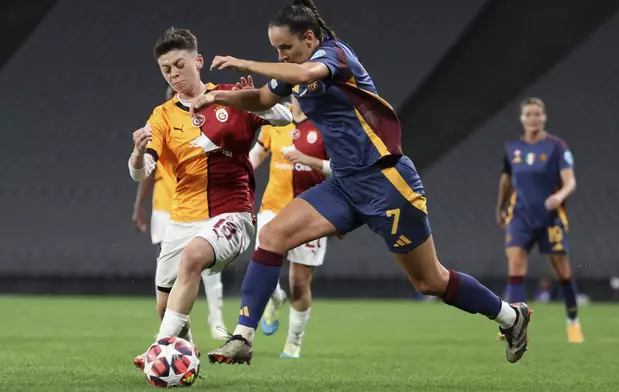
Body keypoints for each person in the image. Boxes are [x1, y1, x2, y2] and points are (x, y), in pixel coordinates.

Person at [192, 0, 531, 365]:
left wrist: (244, 63)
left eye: (285, 48)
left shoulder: (335, 55)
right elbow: (261, 98)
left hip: (386, 180)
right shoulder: (295, 68)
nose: (281, 56)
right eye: (276, 50)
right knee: (272, 236)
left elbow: (306, 76)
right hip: (344, 184)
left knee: (430, 282)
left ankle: (511, 317)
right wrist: (216, 95)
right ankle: (243, 338)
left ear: (309, 38)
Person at [128, 27, 292, 368]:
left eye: (179, 64)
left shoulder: (229, 95)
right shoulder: (162, 116)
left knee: (193, 257)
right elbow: (144, 168)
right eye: (166, 69)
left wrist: (251, 102)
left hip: (231, 212)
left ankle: (158, 350)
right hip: (182, 217)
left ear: (198, 61)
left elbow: (284, 116)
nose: (173, 74)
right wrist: (136, 155)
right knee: (165, 308)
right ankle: (184, 358)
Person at [132, 86, 229, 344]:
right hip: (166, 210)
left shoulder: (201, 133)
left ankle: (216, 318)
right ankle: (181, 338)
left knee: (206, 266)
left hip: (201, 207)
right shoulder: (161, 129)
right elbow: (146, 174)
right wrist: (138, 206)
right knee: (168, 275)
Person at [250, 94, 332, 358]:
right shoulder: (275, 120)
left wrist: (309, 161)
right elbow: (255, 156)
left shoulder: (327, 124)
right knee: (263, 268)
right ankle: (274, 298)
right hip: (272, 209)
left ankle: (294, 342)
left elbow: (341, 168)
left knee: (299, 283)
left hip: (310, 213)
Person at [496, 97, 583, 343]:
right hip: (520, 216)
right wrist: (500, 209)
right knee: (515, 268)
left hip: (550, 218)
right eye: (529, 114)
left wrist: (559, 195)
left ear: (544, 117)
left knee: (563, 271)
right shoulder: (512, 149)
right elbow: (505, 181)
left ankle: (573, 322)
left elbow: (570, 182)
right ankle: (512, 325)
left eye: (537, 114)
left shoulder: (556, 147)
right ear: (522, 118)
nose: (533, 118)